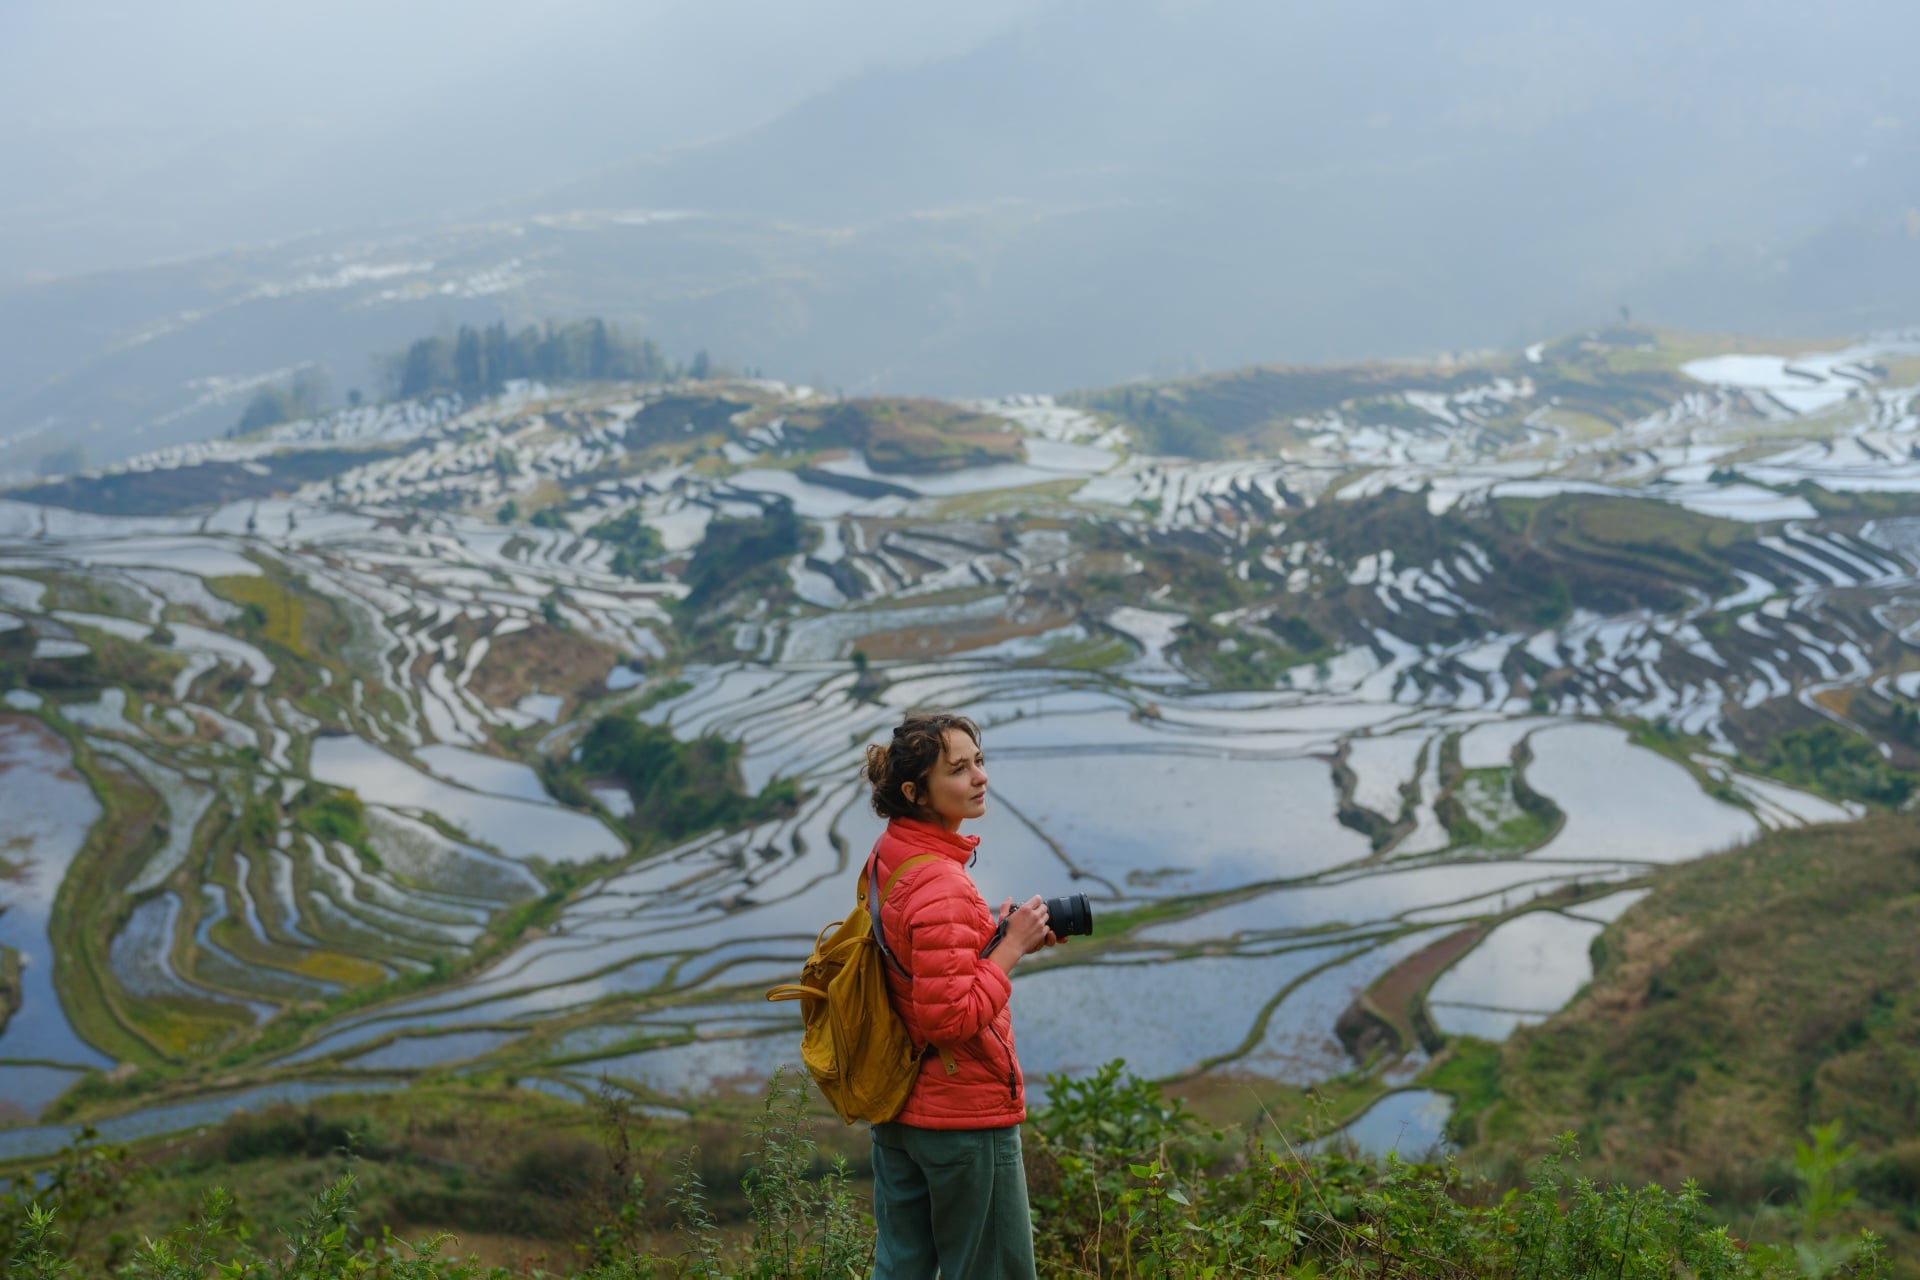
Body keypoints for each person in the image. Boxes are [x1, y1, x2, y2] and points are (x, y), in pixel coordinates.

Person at [862, 712, 1053, 1280]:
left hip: (902, 1108)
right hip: (961, 1117)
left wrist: (997, 938)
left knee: (901, 1268)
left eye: (979, 761)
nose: (980, 777)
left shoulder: (890, 854)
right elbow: (949, 1019)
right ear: (915, 792)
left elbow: (923, 960)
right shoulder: (943, 883)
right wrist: (1011, 949)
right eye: (959, 769)